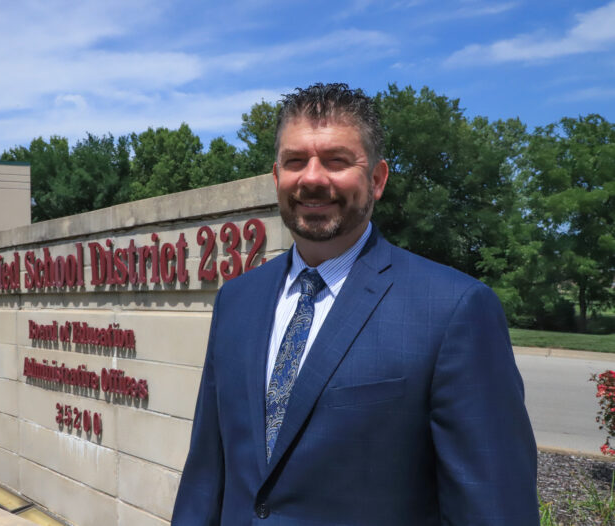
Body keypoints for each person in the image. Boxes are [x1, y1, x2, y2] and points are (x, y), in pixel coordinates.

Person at [172, 83, 538, 525]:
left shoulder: (454, 310)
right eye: (294, 162)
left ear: (377, 179)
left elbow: (493, 508)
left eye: (336, 160)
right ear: (276, 177)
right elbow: (205, 476)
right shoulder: (237, 300)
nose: (311, 178)